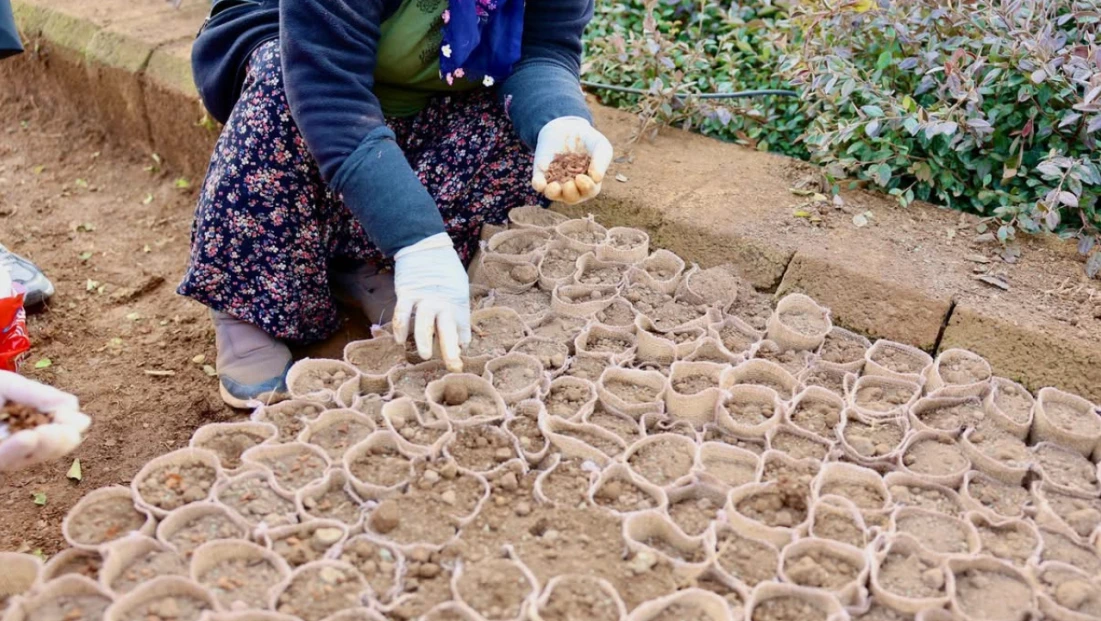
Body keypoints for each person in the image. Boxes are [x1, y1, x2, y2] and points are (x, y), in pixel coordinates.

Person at [182, 0, 613, 408]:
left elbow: (542, 51)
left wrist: (559, 120)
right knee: (281, 83)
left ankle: (366, 258)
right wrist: (417, 241)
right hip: (307, 60)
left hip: (439, 83)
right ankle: (248, 301)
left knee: (520, 135)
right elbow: (330, 94)